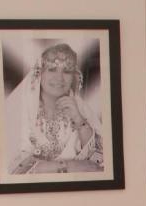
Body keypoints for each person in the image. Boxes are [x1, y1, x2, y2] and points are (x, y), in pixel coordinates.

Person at [6, 42, 104, 175]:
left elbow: (100, 161)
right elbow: (13, 165)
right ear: (39, 73)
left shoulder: (79, 107)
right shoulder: (22, 107)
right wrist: (69, 166)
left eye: (67, 71)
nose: (59, 78)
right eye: (52, 69)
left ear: (74, 76)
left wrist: (78, 119)